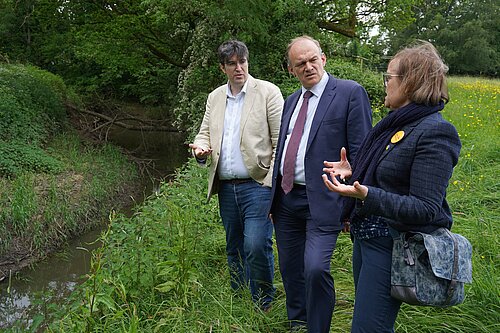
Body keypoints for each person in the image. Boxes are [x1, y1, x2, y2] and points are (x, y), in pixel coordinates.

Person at [322, 41, 461, 332]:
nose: (385, 83)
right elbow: (388, 173)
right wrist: (355, 171)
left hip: (392, 247)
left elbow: (425, 208)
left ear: (410, 83)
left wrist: (368, 194)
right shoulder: (396, 125)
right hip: (367, 240)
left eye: (390, 77)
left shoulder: (436, 131)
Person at [269, 35, 372, 332]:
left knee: (315, 268)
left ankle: (317, 328)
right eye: (300, 63)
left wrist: (353, 205)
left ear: (324, 58)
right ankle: (298, 323)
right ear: (291, 70)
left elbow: (362, 152)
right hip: (287, 199)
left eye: (313, 59)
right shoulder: (291, 101)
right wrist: (274, 197)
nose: (308, 67)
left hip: (325, 201)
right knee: (290, 270)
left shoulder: (350, 93)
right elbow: (286, 149)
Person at [189, 40, 283, 311]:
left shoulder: (268, 92)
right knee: (234, 246)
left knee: (256, 244)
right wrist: (200, 150)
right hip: (227, 187)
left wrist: (269, 183)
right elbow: (204, 132)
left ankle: (263, 301)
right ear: (223, 68)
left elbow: (280, 142)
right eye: (232, 63)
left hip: (258, 185)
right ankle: (239, 296)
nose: (239, 68)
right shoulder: (215, 97)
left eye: (242, 61)